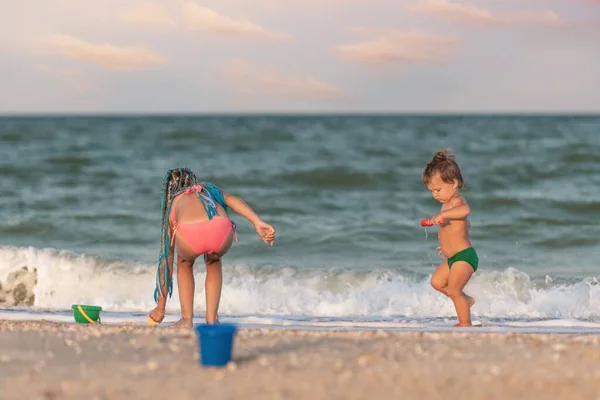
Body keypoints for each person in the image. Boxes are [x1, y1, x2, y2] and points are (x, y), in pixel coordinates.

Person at [147, 167, 276, 328]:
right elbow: (233, 200)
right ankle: (212, 319)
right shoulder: (207, 189)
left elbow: (166, 259)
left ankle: (187, 319)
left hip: (190, 233)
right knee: (213, 261)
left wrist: (161, 308)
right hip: (221, 229)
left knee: (184, 263)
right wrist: (257, 222)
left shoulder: (174, 203)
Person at [422, 149, 478, 327]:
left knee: (454, 289)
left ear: (453, 183)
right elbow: (463, 227)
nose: (435, 194)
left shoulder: (457, 203)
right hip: (452, 257)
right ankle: (465, 300)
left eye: (438, 190)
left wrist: (442, 217)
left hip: (465, 256)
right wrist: (446, 244)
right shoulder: (446, 205)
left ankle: (465, 322)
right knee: (437, 282)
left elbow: (465, 211)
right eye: (432, 191)